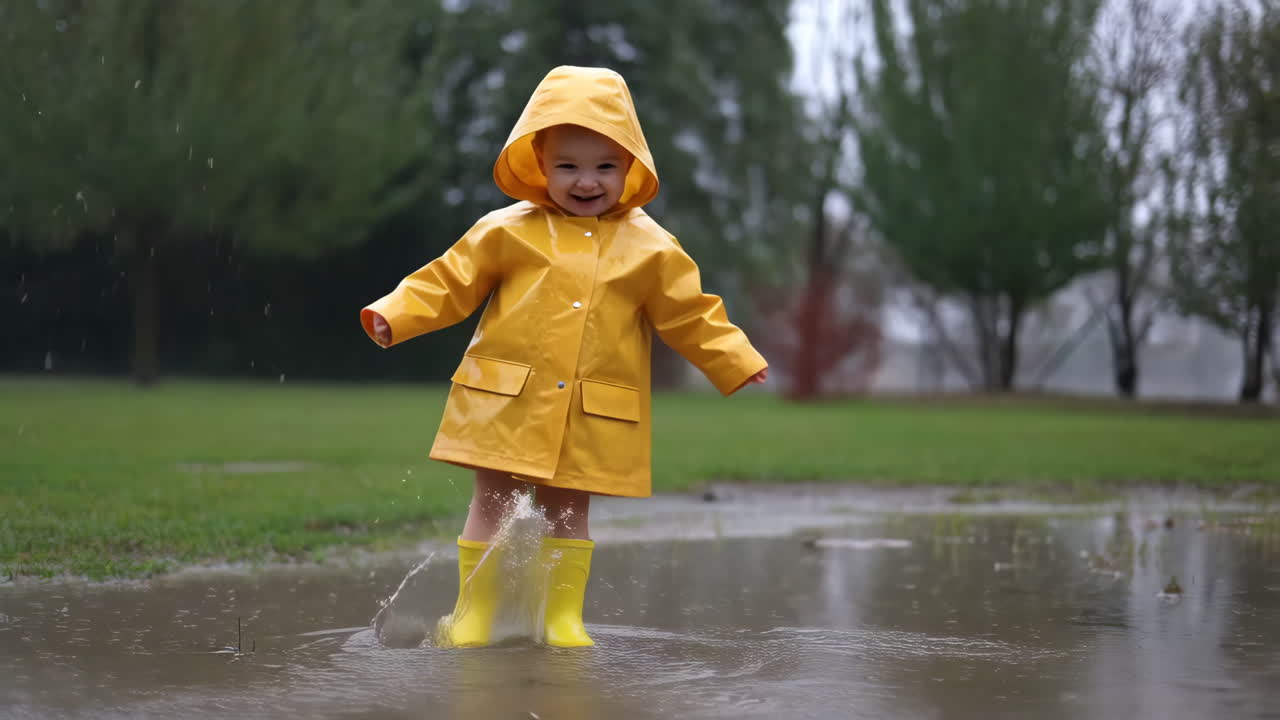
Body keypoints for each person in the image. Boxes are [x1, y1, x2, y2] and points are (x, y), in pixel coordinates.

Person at [360, 65, 768, 648]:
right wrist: (395, 313)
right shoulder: (507, 230)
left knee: (567, 510)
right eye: (568, 166)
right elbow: (448, 281)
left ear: (630, 167)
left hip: (589, 409)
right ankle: (473, 616)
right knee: (493, 500)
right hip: (505, 399)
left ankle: (561, 620)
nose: (586, 181)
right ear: (540, 166)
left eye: (605, 166)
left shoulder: (651, 246)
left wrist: (733, 356)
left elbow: (690, 311)